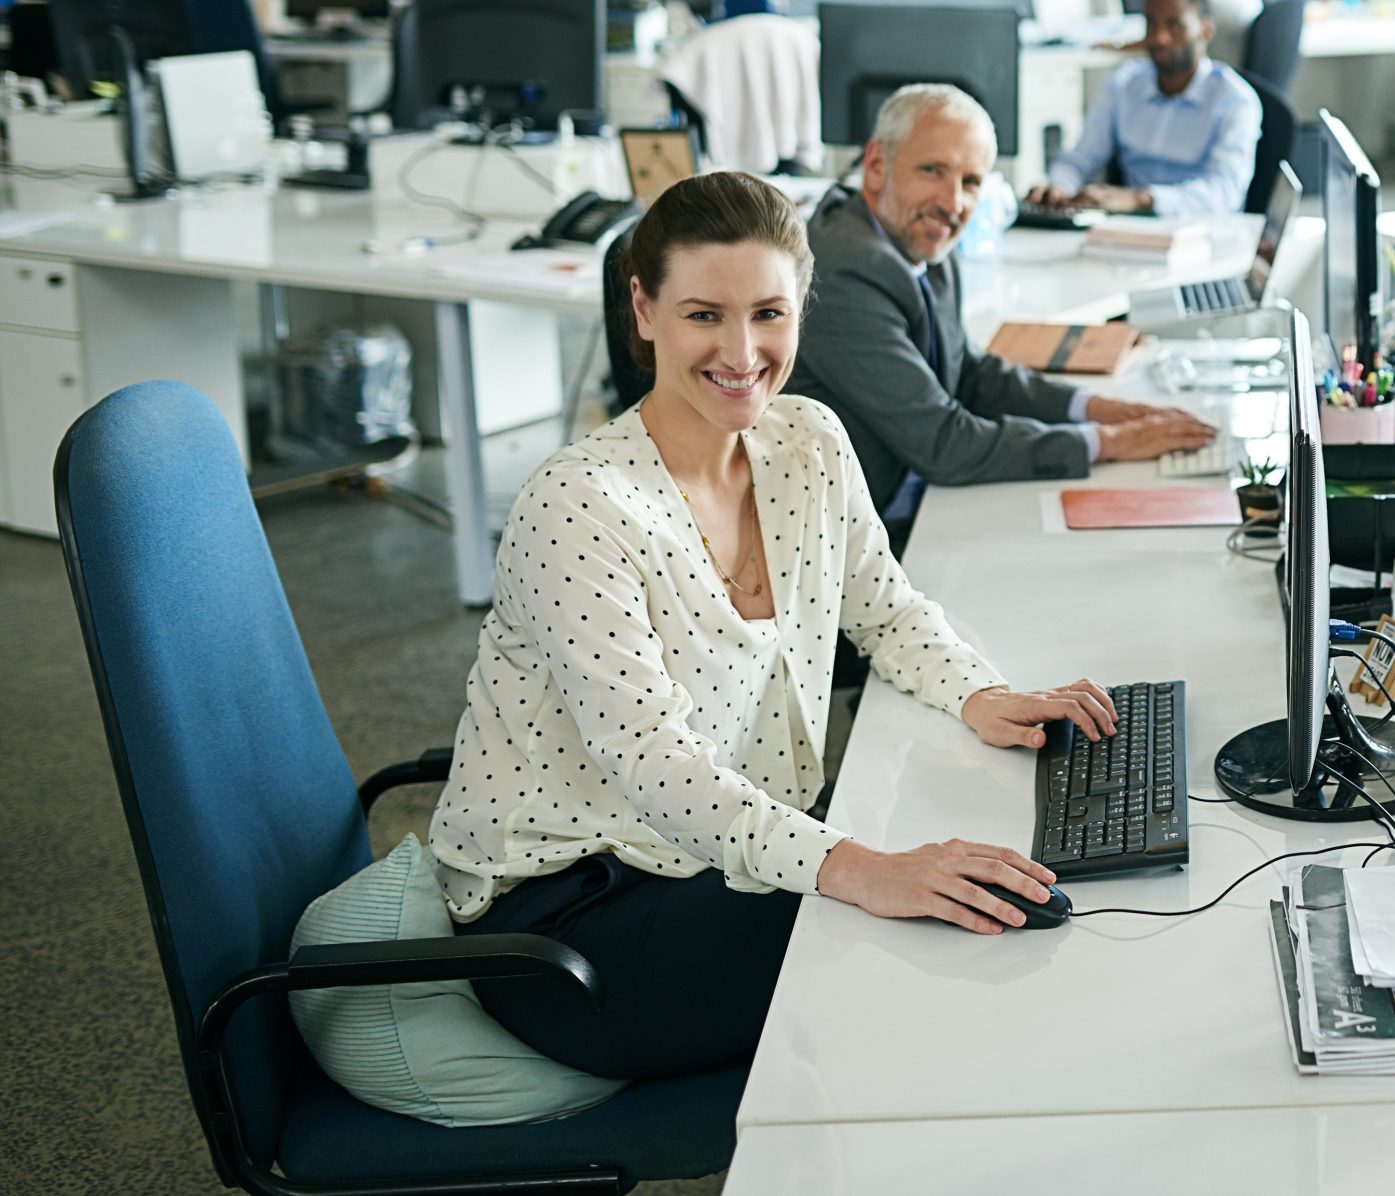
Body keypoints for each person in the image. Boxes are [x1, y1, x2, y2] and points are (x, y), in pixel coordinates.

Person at [428, 171, 1120, 1083]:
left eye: (769, 314)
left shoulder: (807, 441)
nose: (742, 351)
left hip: (729, 853)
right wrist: (861, 867)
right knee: (931, 965)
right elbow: (655, 763)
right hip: (577, 914)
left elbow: (884, 605)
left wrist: (981, 692)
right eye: (703, 314)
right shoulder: (577, 505)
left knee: (985, 884)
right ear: (643, 310)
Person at [790, 83, 1217, 546]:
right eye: (933, 171)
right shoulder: (846, 267)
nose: (953, 203)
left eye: (970, 182)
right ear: (876, 166)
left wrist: (1094, 408)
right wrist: (1109, 443)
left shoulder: (916, 237)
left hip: (914, 502)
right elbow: (944, 444)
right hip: (857, 542)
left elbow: (971, 374)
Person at [1026, 0, 1262, 217]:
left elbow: (1224, 194)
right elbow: (1081, 158)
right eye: (1151, 24)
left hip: (1202, 230)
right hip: (1130, 230)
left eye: (1175, 26)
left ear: (1205, 31)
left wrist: (1142, 198)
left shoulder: (1235, 100)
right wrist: (1059, 186)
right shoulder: (1124, 83)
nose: (1159, 38)